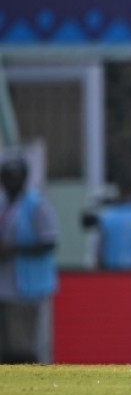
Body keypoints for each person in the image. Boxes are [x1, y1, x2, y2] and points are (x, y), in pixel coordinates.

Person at [0, 156, 58, 364]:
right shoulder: (2, 202)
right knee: (5, 344)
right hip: (4, 283)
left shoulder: (36, 205)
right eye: (6, 177)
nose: (9, 182)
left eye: (14, 177)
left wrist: (14, 249)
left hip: (27, 286)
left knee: (22, 344)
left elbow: (49, 241)